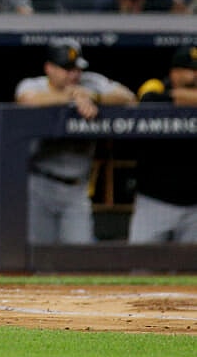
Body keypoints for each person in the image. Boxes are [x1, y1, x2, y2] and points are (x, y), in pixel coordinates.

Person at [15, 38, 135, 245]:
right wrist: (71, 98)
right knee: (38, 255)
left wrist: (93, 96)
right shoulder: (34, 84)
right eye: (66, 68)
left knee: (78, 255)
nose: (74, 75)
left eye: (76, 68)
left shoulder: (90, 83)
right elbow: (27, 100)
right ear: (49, 68)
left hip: (77, 188)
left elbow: (129, 98)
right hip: (40, 183)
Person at [131, 46, 197, 244]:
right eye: (191, 70)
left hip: (194, 206)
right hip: (154, 201)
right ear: (174, 72)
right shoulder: (155, 86)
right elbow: (147, 100)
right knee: (141, 269)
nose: (195, 75)